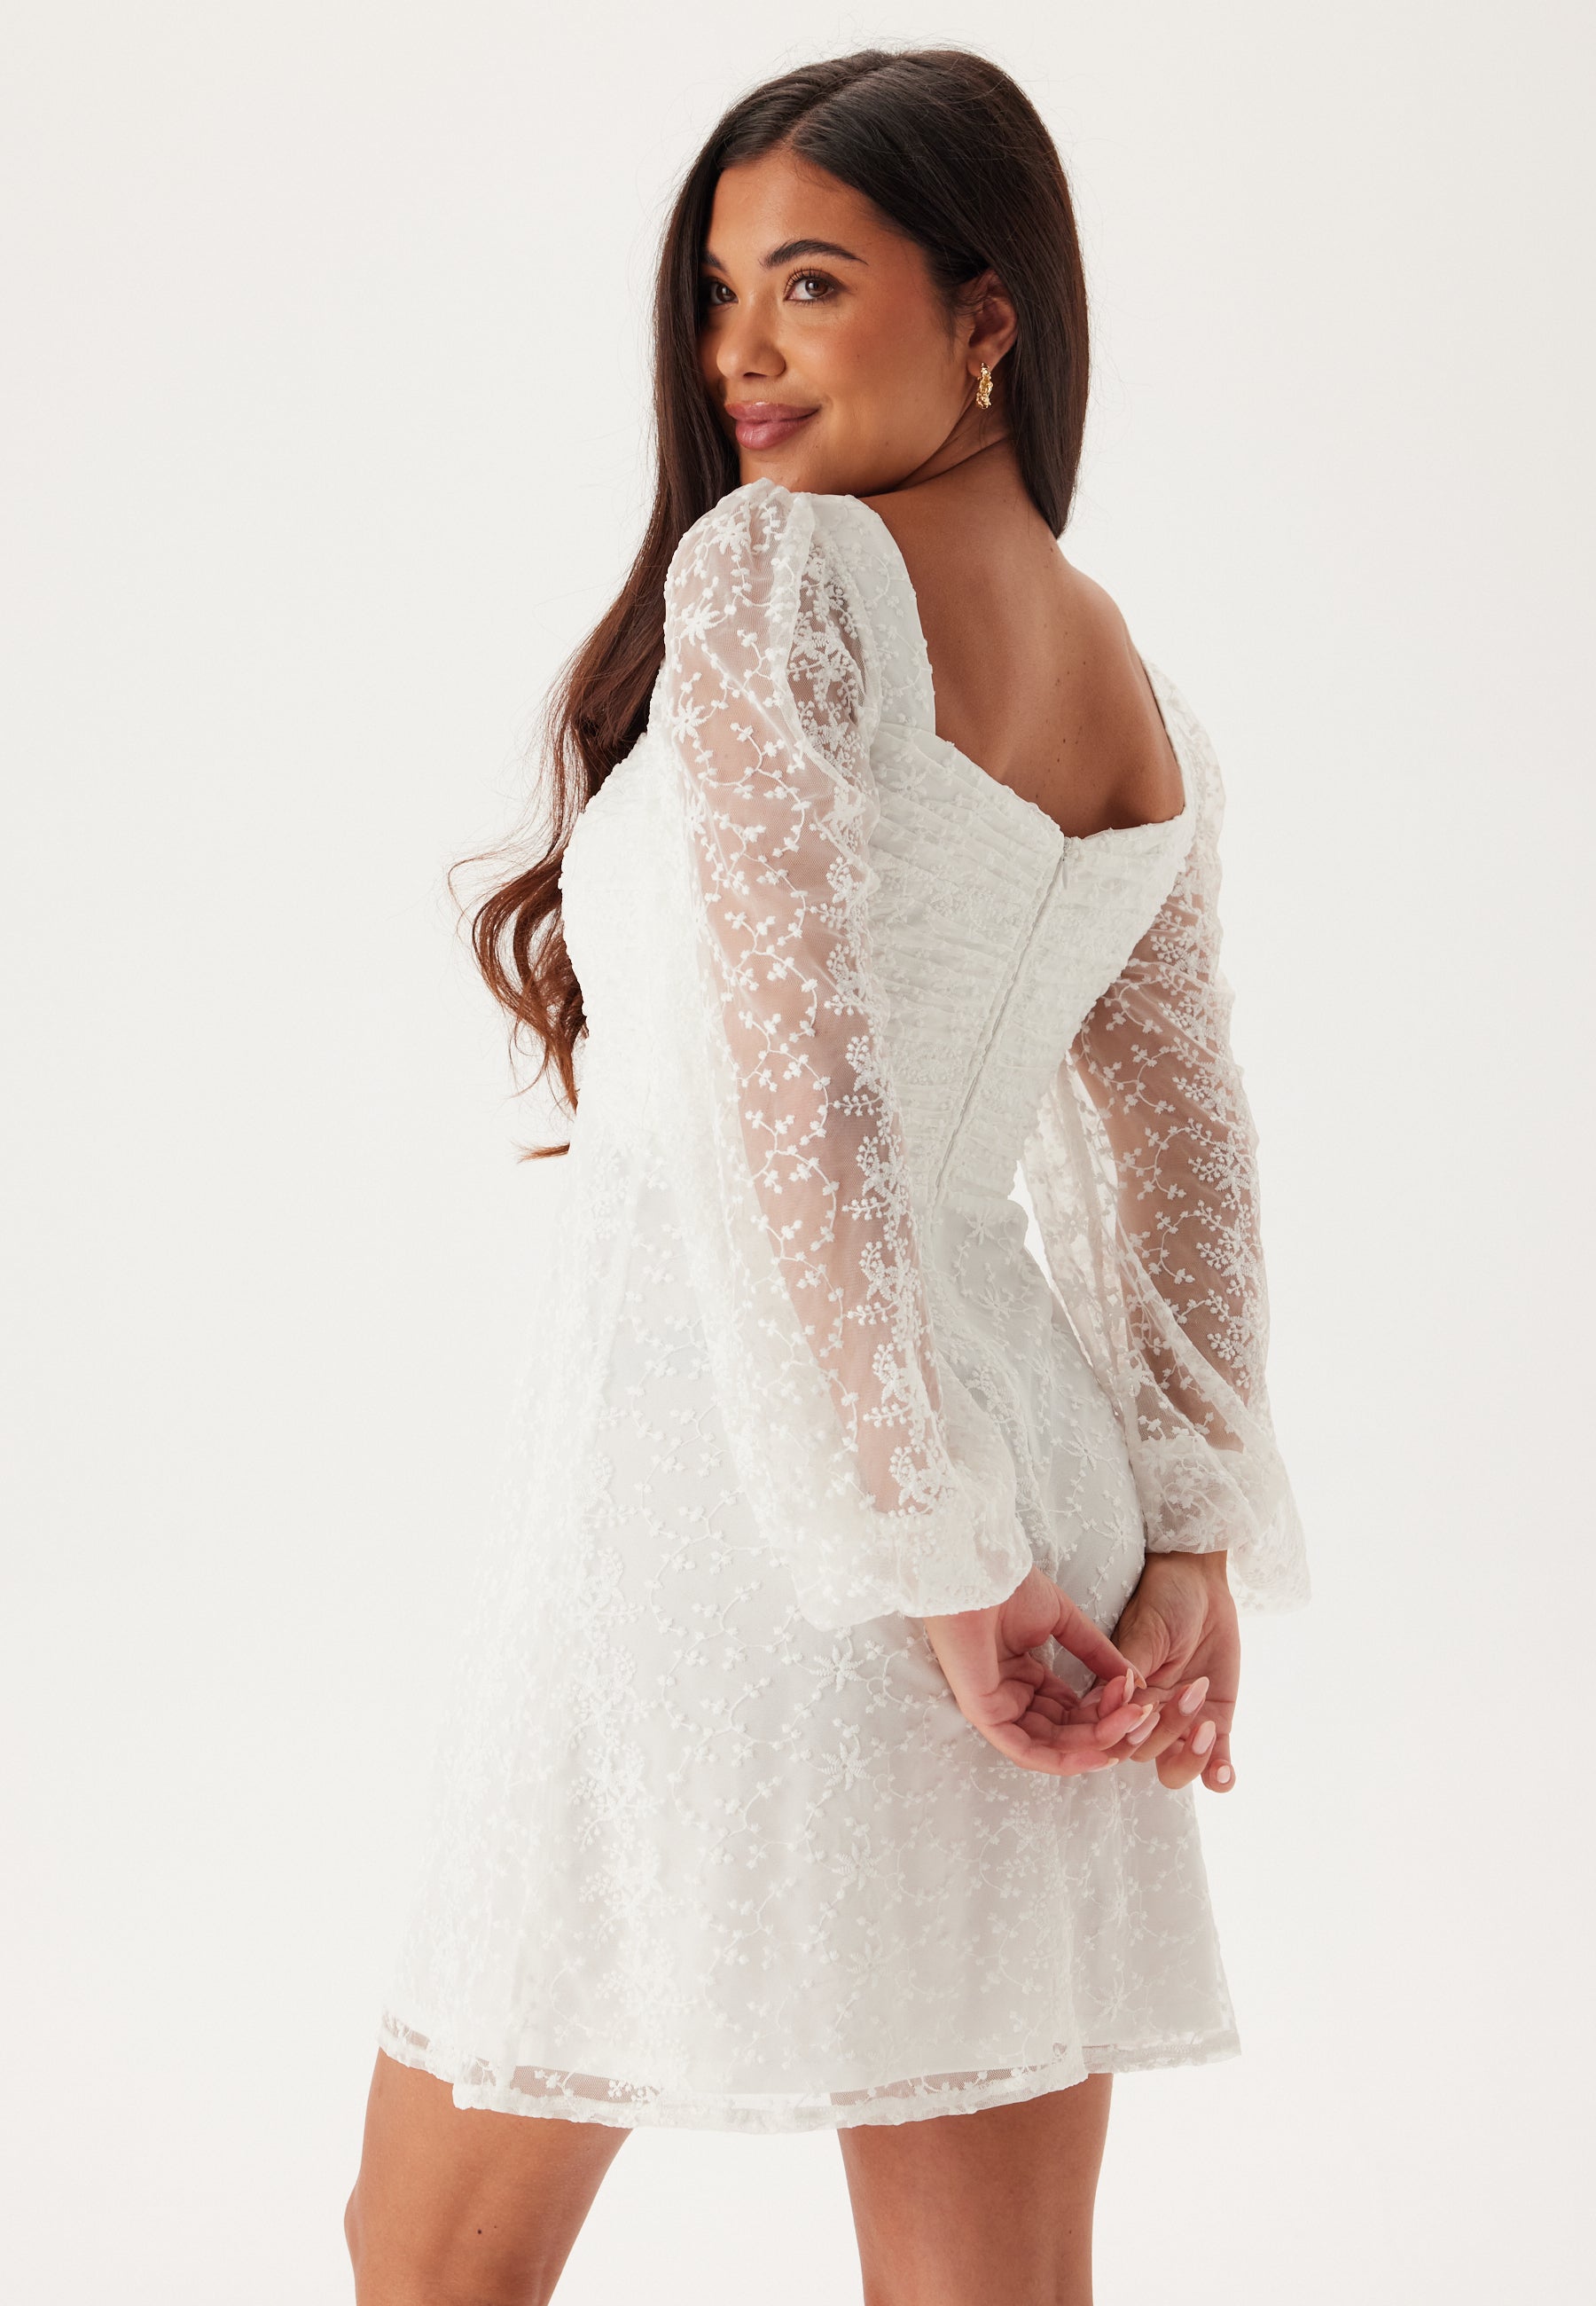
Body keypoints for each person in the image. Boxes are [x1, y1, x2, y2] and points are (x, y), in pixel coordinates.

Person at [345, 45, 1308, 2306]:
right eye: (717, 291)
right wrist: (1175, 1534)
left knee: (429, 2259)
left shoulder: (780, 573)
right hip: (1010, 1507)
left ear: (989, 316)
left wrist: (926, 1549)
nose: (737, 353)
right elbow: (1186, 1152)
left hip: (733, 1512)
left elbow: (804, 1100)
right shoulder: (1127, 679)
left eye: (807, 282)